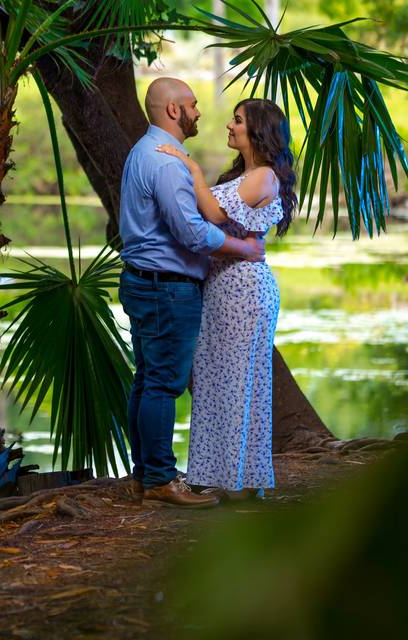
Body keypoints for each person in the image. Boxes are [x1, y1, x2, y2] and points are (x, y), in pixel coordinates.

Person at [119, 78, 266, 509]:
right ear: (172, 111)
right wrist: (243, 248)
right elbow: (191, 231)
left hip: (144, 282)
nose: (200, 112)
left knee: (147, 379)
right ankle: (162, 480)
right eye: (193, 105)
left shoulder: (143, 151)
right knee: (162, 384)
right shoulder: (165, 163)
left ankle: (145, 475)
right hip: (166, 288)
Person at [155, 98, 295, 501]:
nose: (229, 126)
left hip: (244, 290)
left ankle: (235, 480)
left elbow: (214, 215)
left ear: (257, 131)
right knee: (217, 382)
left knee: (235, 382)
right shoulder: (243, 174)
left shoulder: (264, 177)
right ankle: (225, 476)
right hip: (224, 287)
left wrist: (191, 167)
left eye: (237, 121)